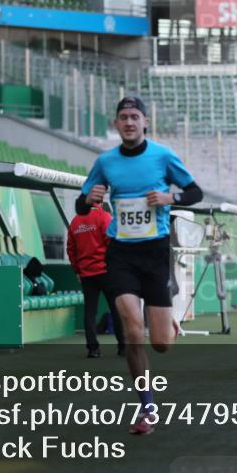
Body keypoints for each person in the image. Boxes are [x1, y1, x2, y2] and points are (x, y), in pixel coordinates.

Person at [77, 96, 203, 435]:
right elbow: (81, 205)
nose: (129, 122)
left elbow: (195, 193)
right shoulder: (105, 162)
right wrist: (88, 199)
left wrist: (170, 198)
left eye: (135, 116)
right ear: (116, 124)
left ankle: (168, 321)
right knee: (133, 331)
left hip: (155, 253)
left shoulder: (163, 156)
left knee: (160, 344)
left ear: (145, 122)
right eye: (123, 117)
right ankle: (147, 407)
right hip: (120, 254)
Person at [67, 201, 125, 358]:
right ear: (100, 201)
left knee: (90, 311)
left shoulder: (75, 221)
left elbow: (71, 249)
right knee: (116, 309)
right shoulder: (104, 217)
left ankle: (93, 349)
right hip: (107, 272)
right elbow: (113, 244)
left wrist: (77, 270)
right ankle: (123, 347)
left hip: (86, 273)